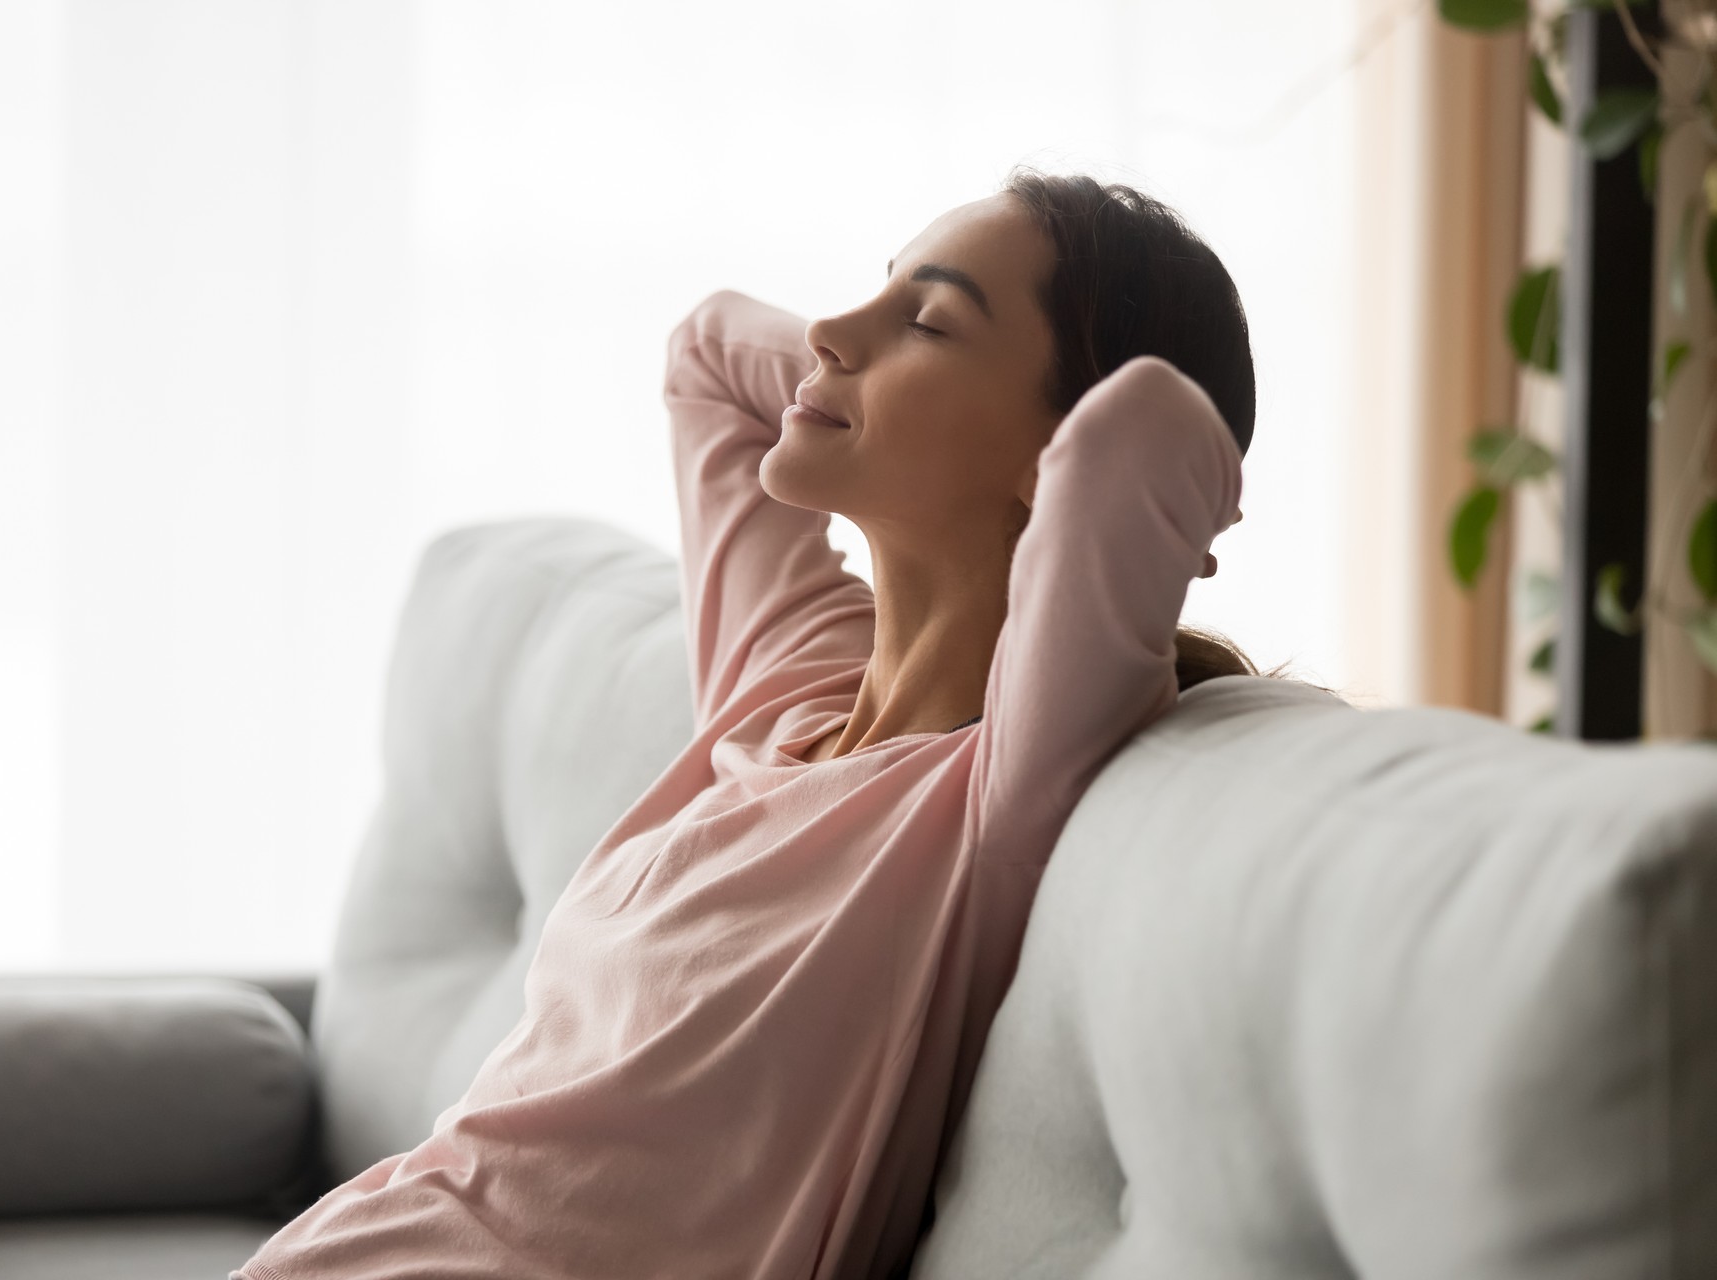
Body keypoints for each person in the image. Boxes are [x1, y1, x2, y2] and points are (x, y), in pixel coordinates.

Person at [233, 165, 1288, 1280]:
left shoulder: (1002, 790)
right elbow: (705, 356)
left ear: (1052, 458)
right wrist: (884, 367)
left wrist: (912, 391)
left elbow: (1151, 427)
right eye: (873, 293)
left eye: (925, 318)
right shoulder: (785, 686)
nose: (832, 328)